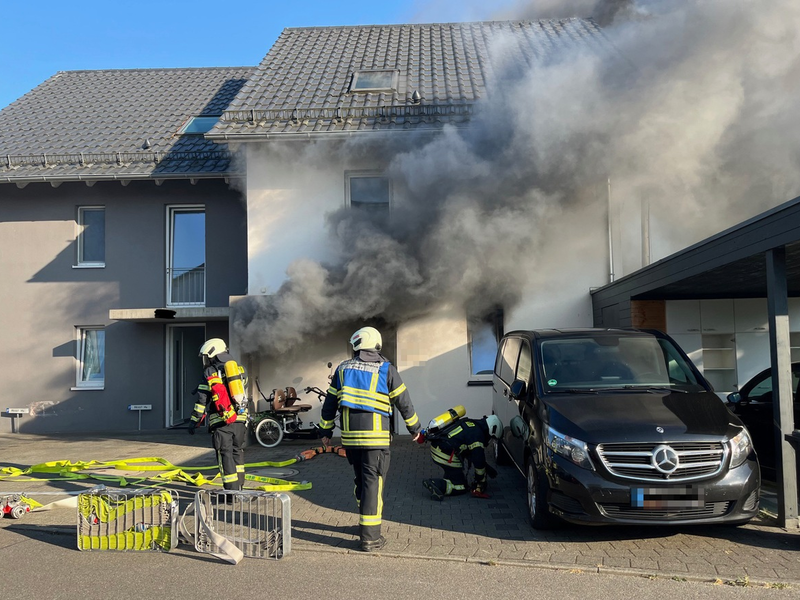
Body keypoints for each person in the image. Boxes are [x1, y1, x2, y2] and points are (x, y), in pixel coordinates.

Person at [318, 326, 422, 552]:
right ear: (376, 344)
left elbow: (329, 404)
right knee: (373, 484)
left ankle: (364, 524)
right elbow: (403, 401)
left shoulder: (343, 369)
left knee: (360, 481)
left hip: (351, 440)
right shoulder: (386, 369)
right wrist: (415, 428)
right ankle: (370, 538)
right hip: (376, 440)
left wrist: (325, 432)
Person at [188, 338, 248, 492]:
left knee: (225, 455)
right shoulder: (239, 368)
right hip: (240, 420)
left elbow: (202, 400)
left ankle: (230, 492)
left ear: (212, 354)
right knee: (237, 452)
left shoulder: (210, 371)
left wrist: (194, 421)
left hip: (222, 422)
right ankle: (239, 488)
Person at [422, 413, 503, 500]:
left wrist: (487, 467)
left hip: (440, 448)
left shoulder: (472, 424)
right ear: (492, 429)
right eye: (492, 437)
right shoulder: (477, 435)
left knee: (457, 477)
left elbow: (469, 452)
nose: (490, 440)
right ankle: (436, 484)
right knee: (461, 487)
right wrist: (480, 481)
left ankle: (449, 479)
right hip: (445, 453)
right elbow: (478, 460)